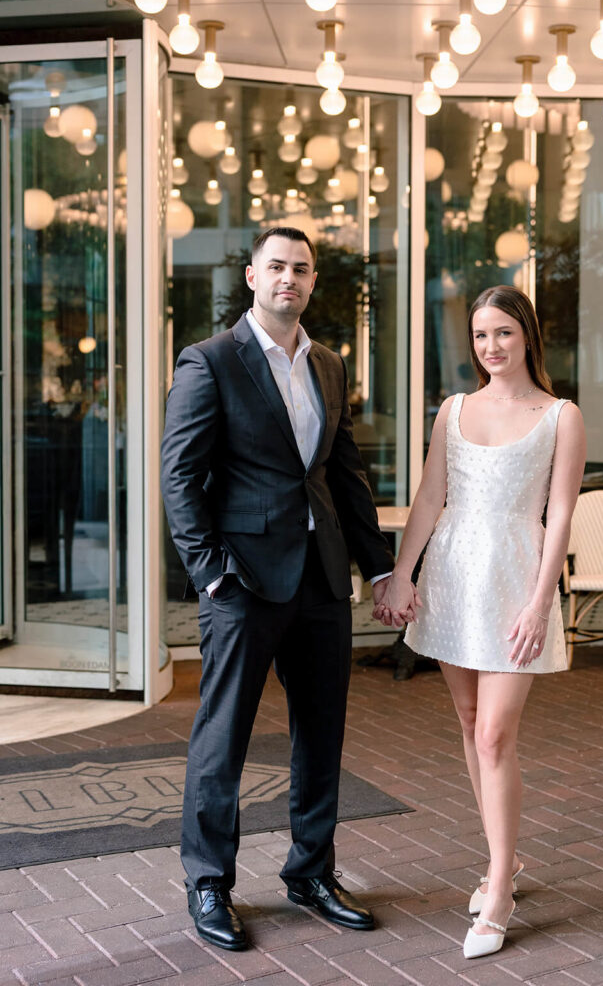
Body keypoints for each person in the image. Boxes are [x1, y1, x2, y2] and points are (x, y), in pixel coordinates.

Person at [161, 226, 418, 951]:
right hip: (241, 582)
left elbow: (345, 474)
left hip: (320, 581)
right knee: (224, 736)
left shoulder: (329, 365)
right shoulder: (210, 362)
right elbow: (178, 477)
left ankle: (311, 872)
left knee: (320, 734)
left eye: (301, 269)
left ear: (312, 281)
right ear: (251, 276)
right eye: (277, 266)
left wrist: (380, 566)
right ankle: (208, 882)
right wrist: (210, 569)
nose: (289, 279)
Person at [375, 285, 586, 959]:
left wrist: (538, 599)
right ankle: (507, 859)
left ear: (527, 335)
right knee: (470, 725)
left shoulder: (561, 416)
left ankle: (497, 884)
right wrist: (402, 574)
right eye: (479, 336)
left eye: (503, 333)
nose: (491, 347)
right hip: (455, 579)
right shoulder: (454, 410)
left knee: (496, 732)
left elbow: (559, 517)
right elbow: (432, 495)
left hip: (516, 581)